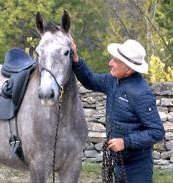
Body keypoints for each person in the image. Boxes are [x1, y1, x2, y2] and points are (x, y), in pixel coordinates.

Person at [70, 38, 165, 183]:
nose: (110, 63)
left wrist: (125, 142)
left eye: (116, 61)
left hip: (137, 169)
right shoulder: (112, 81)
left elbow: (157, 131)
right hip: (118, 164)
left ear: (129, 69)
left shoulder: (141, 93)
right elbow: (89, 79)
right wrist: (76, 59)